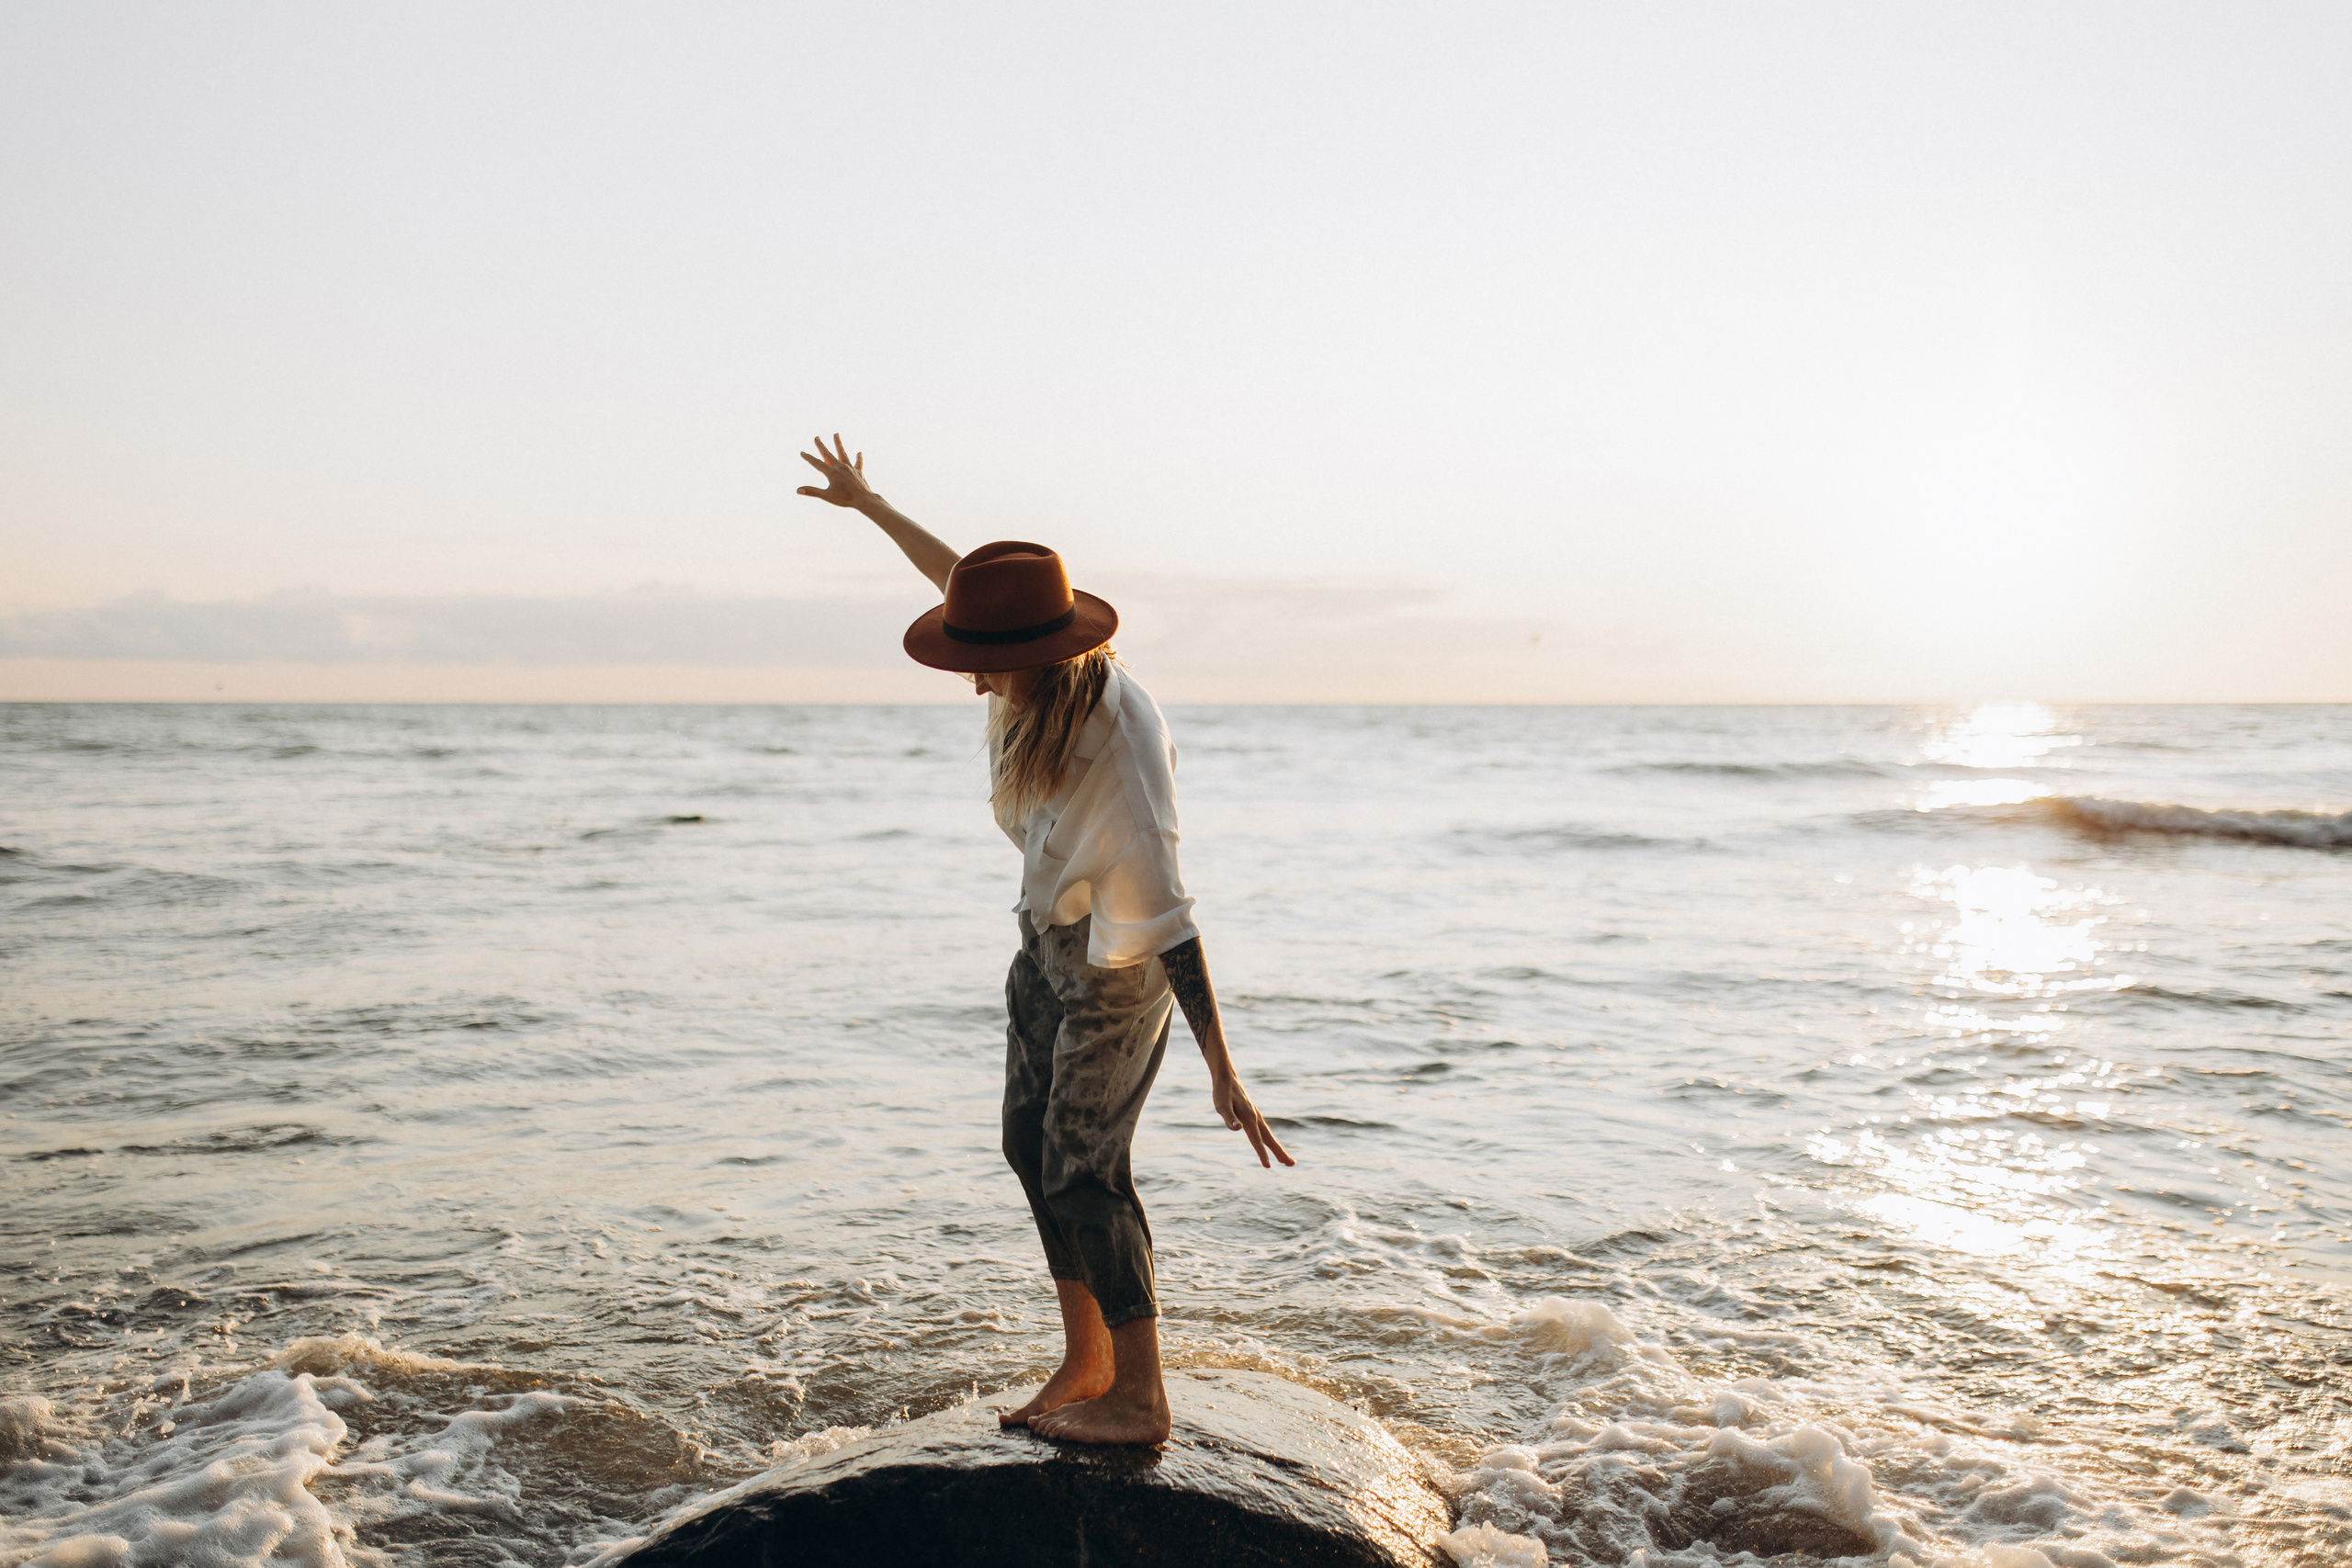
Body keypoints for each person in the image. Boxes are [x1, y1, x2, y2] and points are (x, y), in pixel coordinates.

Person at [797, 434, 1295, 1446]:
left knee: (1084, 1171)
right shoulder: (1032, 663)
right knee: (1025, 1147)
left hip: (1121, 964)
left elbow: (1168, 913)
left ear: (1041, 658)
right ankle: (1088, 1358)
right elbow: (957, 580)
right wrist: (868, 501)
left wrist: (1222, 1068)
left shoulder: (1121, 747)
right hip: (1042, 943)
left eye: (988, 669)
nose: (975, 683)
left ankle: (1142, 1399)